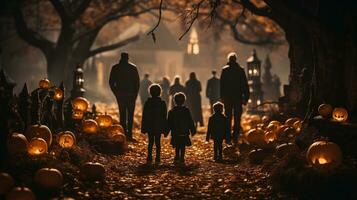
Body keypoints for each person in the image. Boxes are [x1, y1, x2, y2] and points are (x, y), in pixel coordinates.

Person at [109, 52, 140, 141]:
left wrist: (116, 92)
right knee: (130, 115)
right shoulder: (133, 68)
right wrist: (135, 94)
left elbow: (111, 82)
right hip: (130, 95)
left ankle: (123, 134)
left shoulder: (115, 68)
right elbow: (137, 83)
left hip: (121, 95)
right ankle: (129, 135)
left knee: (122, 114)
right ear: (128, 58)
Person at [220, 52, 249, 145]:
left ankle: (228, 137)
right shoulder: (241, 70)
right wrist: (246, 98)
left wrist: (222, 97)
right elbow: (245, 85)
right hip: (238, 97)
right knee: (237, 118)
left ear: (229, 60)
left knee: (227, 117)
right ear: (236, 60)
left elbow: (222, 85)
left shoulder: (225, 70)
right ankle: (235, 136)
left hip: (228, 98)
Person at [141, 84, 167, 164]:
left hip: (150, 126)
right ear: (160, 92)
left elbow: (144, 116)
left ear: (150, 92)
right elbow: (164, 117)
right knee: (158, 143)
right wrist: (165, 128)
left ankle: (149, 157)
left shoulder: (148, 103)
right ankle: (158, 158)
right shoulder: (162, 103)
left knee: (150, 142)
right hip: (158, 126)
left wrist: (143, 127)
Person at [167, 92, 196, 164]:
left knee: (177, 145)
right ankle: (182, 158)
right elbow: (190, 121)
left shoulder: (172, 111)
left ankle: (177, 156)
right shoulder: (186, 110)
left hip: (175, 132)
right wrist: (192, 130)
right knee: (183, 145)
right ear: (184, 101)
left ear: (174, 101)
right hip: (184, 131)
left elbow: (169, 123)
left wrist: (166, 131)